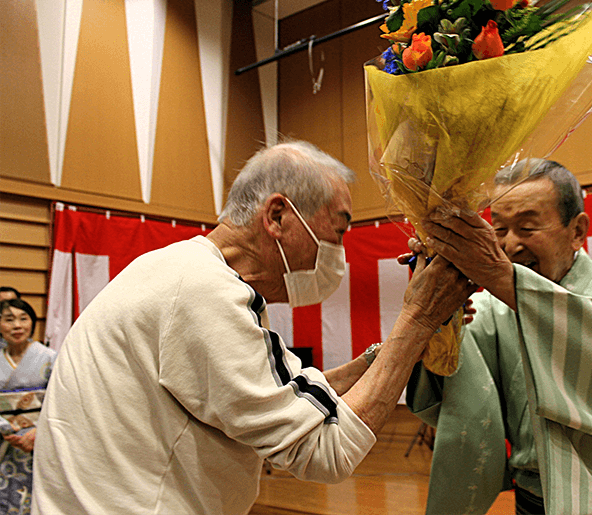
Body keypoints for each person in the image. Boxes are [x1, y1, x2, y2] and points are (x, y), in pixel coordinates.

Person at [32, 141, 476, 515]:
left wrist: (394, 352)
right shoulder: (201, 291)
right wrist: (416, 321)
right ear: (278, 216)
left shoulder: (185, 271)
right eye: (338, 233)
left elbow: (302, 396)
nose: (339, 254)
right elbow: (324, 448)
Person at [406, 160, 592, 515]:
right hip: (532, 496)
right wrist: (440, 324)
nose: (510, 245)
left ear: (578, 230)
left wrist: (497, 275)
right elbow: (453, 396)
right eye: (498, 229)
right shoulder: (487, 309)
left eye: (527, 227)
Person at [0, 298, 57, 515]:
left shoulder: (49, 358)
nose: (17, 326)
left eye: (24, 319)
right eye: (9, 320)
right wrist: (5, 427)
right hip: (4, 439)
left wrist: (38, 431)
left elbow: (58, 401)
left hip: (39, 439)